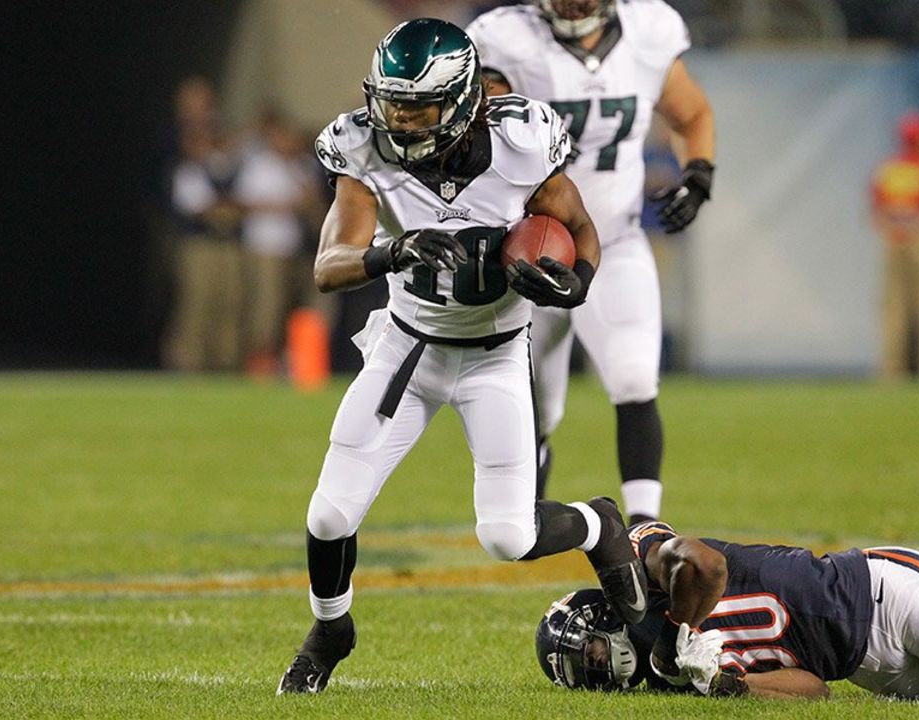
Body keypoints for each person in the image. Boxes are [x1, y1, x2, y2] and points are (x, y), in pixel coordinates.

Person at [277, 18, 649, 695]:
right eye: (389, 102)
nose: (397, 118)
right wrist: (391, 250)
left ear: (460, 100)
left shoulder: (521, 142)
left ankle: (598, 522)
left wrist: (580, 281)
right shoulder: (365, 150)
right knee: (328, 515)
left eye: (414, 105)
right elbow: (328, 266)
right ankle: (331, 629)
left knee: (507, 536)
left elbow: (582, 228)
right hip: (407, 353)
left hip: (495, 355)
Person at [467, 0, 717, 523]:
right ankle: (525, 510)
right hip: (533, 247)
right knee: (534, 403)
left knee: (634, 377)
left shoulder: (649, 31)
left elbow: (692, 114)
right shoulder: (506, 39)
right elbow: (471, 137)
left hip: (616, 240)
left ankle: (645, 524)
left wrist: (698, 177)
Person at [535, 519, 919, 700]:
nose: (595, 670)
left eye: (589, 654)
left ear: (606, 615)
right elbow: (815, 689)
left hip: (883, 595)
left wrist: (675, 632)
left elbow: (708, 566)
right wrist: (728, 685)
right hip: (867, 671)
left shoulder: (646, 572)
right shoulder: (668, 680)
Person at [164, 80, 248, 372]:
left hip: (226, 242)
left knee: (229, 304)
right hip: (196, 242)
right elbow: (194, 204)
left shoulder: (220, 152)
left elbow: (238, 191)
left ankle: (224, 365)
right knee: (196, 303)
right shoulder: (176, 152)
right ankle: (188, 364)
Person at [238, 107, 324, 377]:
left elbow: (313, 203)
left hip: (295, 248)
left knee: (293, 307)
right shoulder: (259, 164)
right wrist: (287, 206)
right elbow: (245, 203)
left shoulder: (303, 166)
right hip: (265, 247)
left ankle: (285, 363)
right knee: (267, 308)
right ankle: (258, 364)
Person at [871, 111, 919, 380]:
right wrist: (916, 228)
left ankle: (891, 369)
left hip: (893, 242)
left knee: (894, 307)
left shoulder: (889, 170)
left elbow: (876, 212)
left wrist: (895, 229)